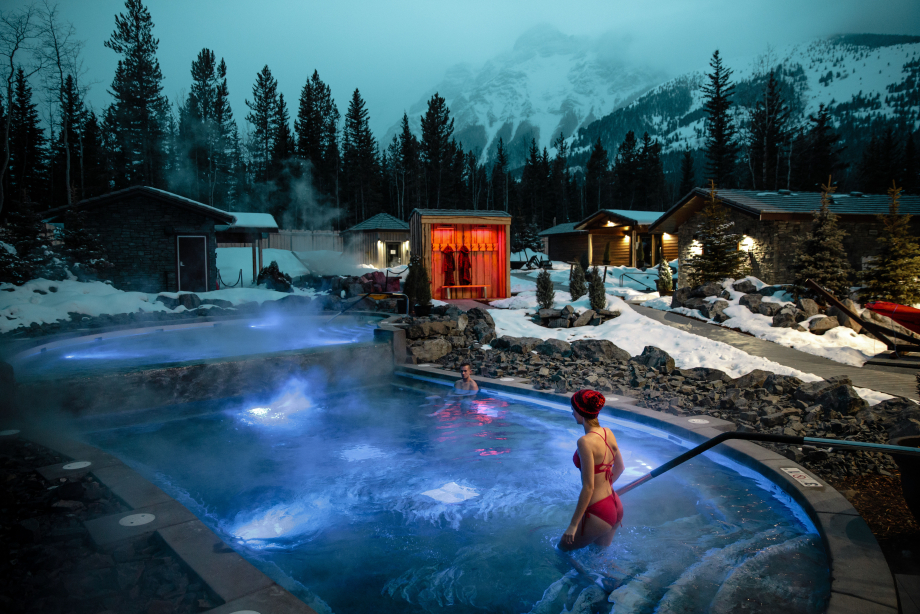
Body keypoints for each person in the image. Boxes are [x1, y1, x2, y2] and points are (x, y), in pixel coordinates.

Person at [558, 389, 625, 551]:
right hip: (614, 504)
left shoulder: (585, 442)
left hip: (598, 511)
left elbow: (589, 487)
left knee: (561, 551)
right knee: (600, 557)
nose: (572, 412)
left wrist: (573, 525)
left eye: (573, 409)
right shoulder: (607, 432)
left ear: (581, 412)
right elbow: (621, 467)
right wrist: (605, 491)